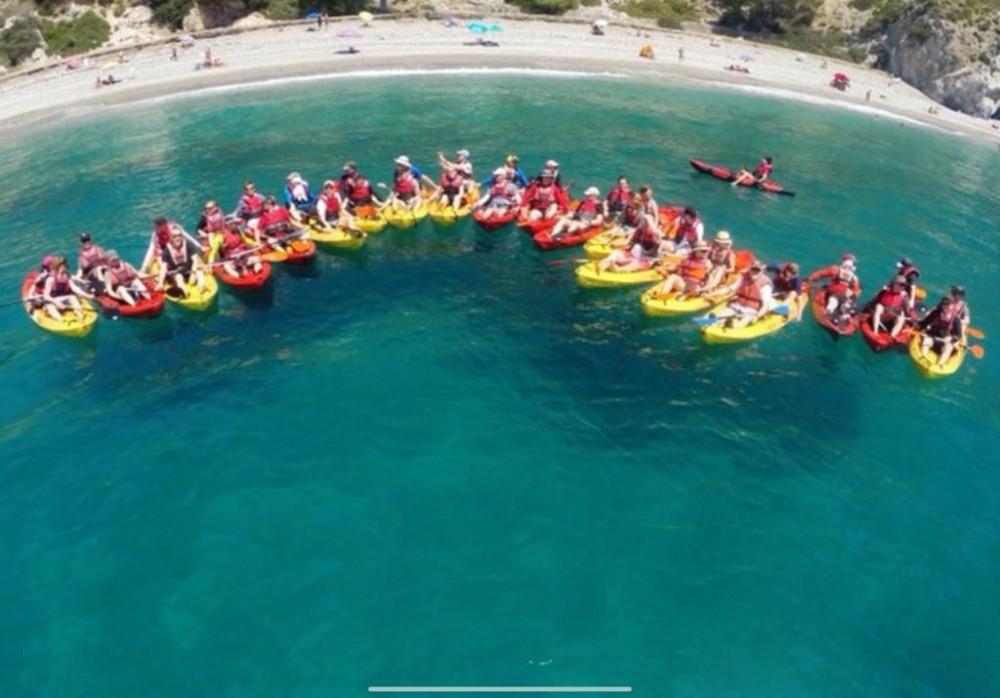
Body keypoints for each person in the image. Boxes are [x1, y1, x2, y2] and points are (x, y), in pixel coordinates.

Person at [706, 260, 774, 329]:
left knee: (746, 319)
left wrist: (757, 316)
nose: (754, 272)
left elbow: (765, 305)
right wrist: (711, 294)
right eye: (753, 269)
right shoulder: (744, 278)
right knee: (727, 312)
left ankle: (733, 326)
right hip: (737, 306)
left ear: (761, 272)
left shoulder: (765, 285)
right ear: (749, 269)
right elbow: (728, 289)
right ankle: (717, 321)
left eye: (757, 270)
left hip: (751, 310)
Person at [807, 253, 861, 325]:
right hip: (845, 296)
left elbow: (820, 274)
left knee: (832, 303)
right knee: (844, 305)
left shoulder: (835, 269)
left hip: (834, 293)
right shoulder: (854, 278)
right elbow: (856, 291)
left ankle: (832, 316)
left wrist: (809, 279)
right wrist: (852, 300)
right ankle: (846, 315)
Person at [917, 294, 967, 366]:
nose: (945, 306)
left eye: (947, 304)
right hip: (933, 337)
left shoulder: (956, 318)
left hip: (944, 341)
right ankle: (923, 358)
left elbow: (958, 334)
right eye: (944, 304)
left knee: (949, 347)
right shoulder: (936, 313)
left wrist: (952, 339)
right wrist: (919, 326)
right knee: (926, 341)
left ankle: (940, 364)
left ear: (952, 305)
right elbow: (925, 322)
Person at [158, 227, 208, 296]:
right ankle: (183, 290)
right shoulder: (166, 250)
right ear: (171, 238)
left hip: (189, 271)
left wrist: (193, 274)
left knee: (199, 272)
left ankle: (202, 286)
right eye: (174, 236)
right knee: (179, 277)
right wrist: (160, 283)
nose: (177, 238)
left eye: (179, 235)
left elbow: (195, 260)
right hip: (176, 273)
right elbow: (163, 268)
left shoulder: (188, 244)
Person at [42, 257, 87, 321]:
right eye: (65, 265)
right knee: (50, 306)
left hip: (65, 298)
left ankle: (81, 317)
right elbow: (46, 296)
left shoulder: (66, 275)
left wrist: (89, 296)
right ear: (61, 266)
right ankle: (62, 321)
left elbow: (75, 288)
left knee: (72, 298)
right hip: (53, 300)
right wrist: (56, 302)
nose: (66, 266)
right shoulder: (50, 279)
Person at [868, 275, 910, 339]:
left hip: (891, 320)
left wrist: (913, 320)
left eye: (904, 286)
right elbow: (874, 301)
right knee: (878, 307)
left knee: (901, 318)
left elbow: (908, 310)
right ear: (894, 284)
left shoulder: (904, 296)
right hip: (881, 318)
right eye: (901, 285)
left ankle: (891, 336)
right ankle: (875, 331)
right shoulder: (885, 291)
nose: (902, 287)